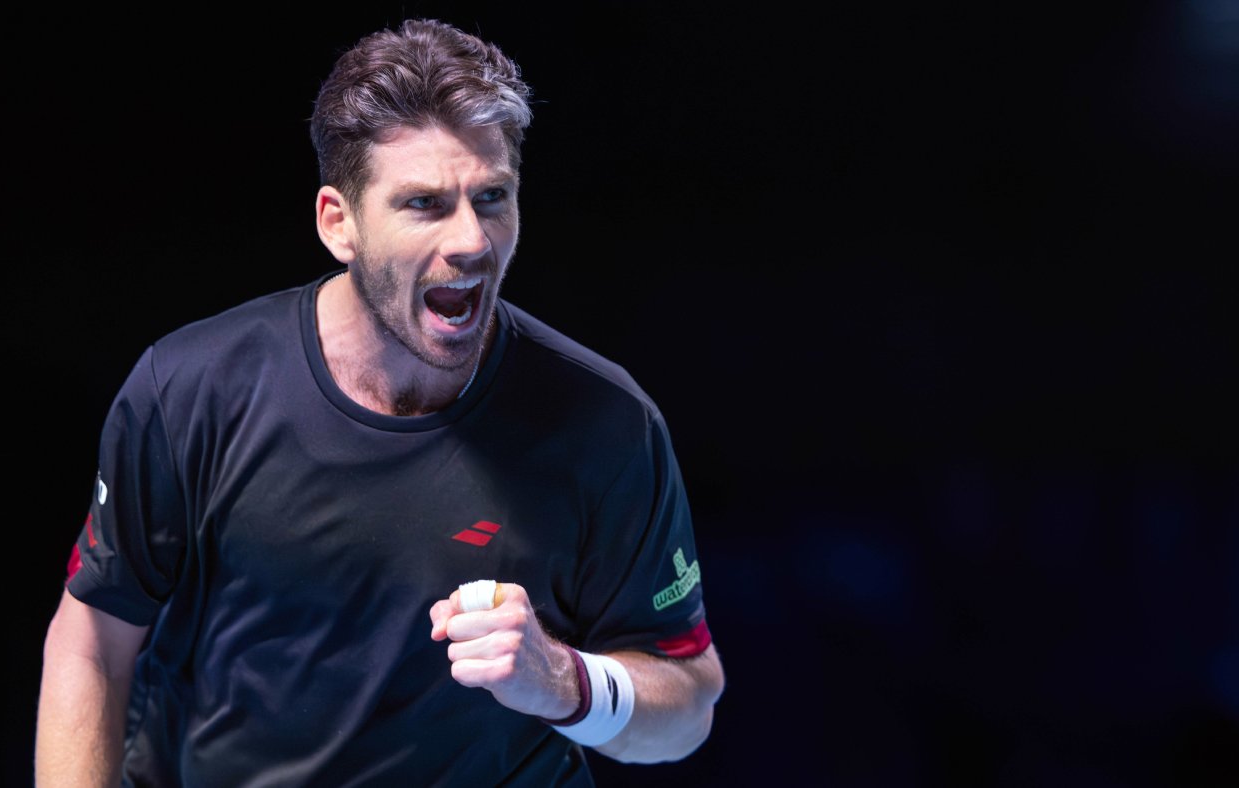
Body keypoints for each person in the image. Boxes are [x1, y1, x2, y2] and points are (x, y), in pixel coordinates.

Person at [35, 18, 724, 786]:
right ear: (340, 224)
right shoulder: (189, 390)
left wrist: (565, 682)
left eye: (492, 197)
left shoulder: (607, 424)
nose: (472, 240)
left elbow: (688, 706)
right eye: (425, 203)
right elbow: (91, 645)